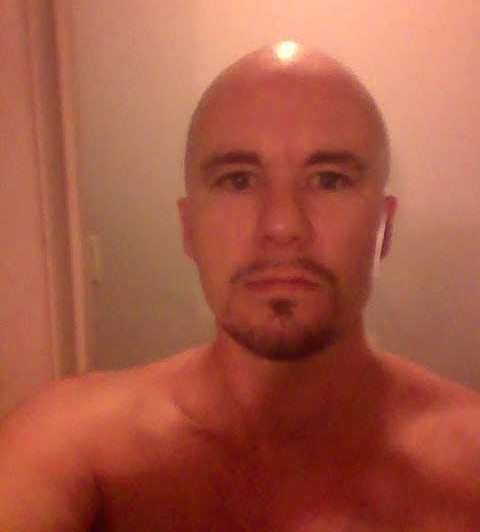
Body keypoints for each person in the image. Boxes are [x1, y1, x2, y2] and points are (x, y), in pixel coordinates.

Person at [0, 41, 479, 531]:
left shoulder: (470, 463)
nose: (282, 225)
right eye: (238, 181)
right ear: (188, 227)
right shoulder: (71, 445)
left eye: (329, 180)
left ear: (384, 226)